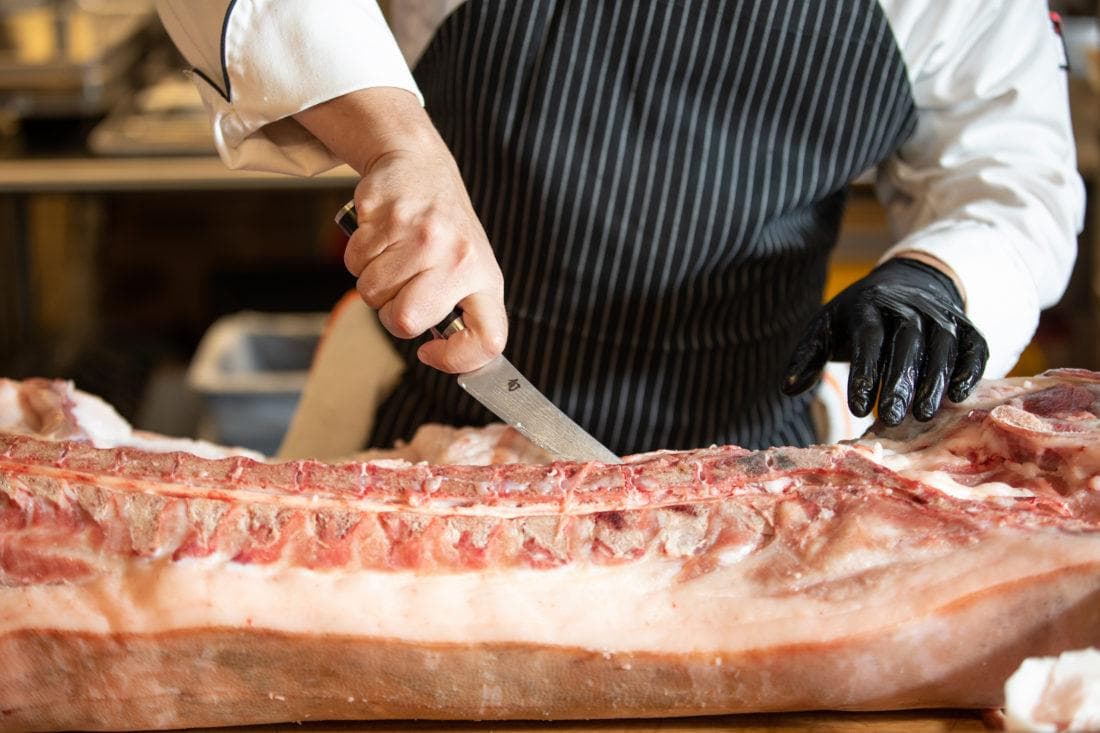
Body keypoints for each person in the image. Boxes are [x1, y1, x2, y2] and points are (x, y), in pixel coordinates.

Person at [155, 0, 1084, 455]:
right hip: (421, 430)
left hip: (754, 452)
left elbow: (1010, 172)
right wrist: (397, 143)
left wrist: (940, 276)